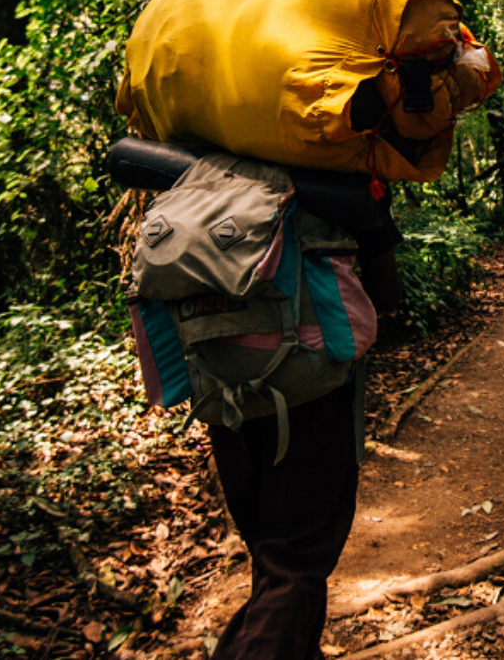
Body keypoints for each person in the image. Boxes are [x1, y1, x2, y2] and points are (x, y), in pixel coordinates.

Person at [204, 180, 402, 660]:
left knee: (272, 552)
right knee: (296, 559)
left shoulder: (199, 176)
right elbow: (387, 293)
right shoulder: (331, 170)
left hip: (219, 386)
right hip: (310, 391)